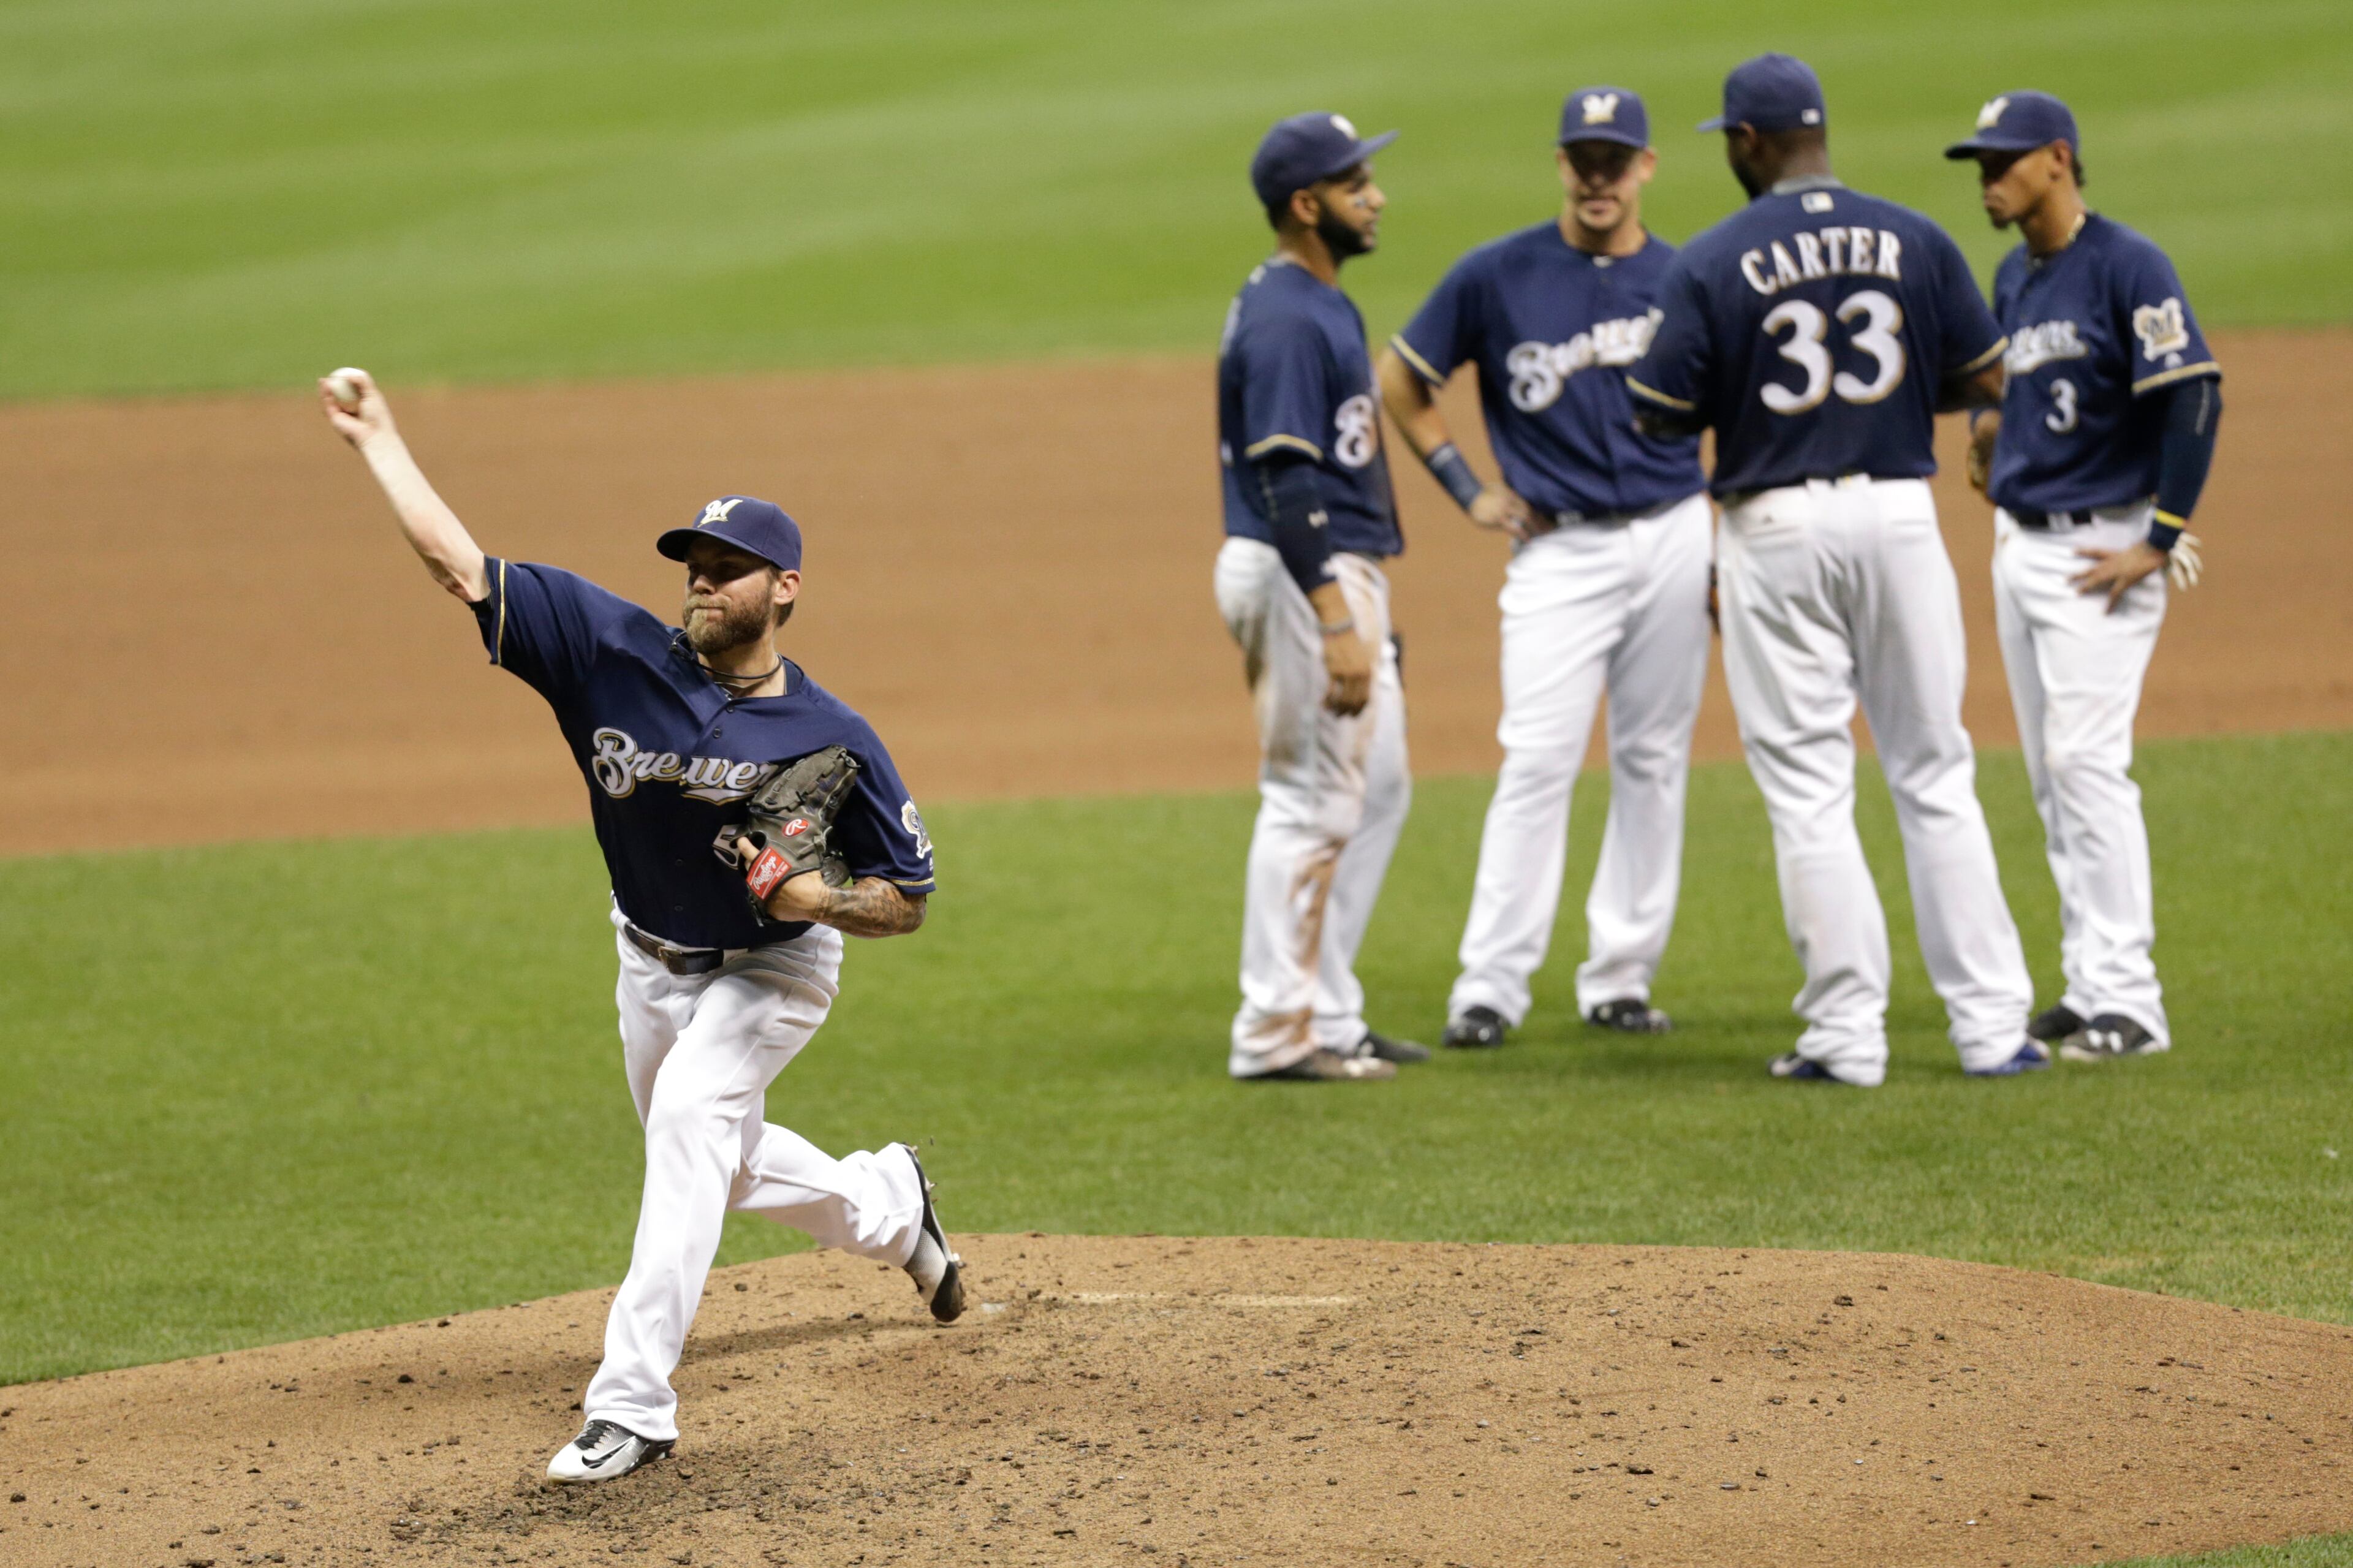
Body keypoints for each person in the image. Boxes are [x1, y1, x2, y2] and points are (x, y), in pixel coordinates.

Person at [317, 369, 964, 1483]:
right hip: (647, 956)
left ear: (787, 588)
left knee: (688, 1128)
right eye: (694, 567)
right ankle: (893, 1205)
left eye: (727, 571)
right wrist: (379, 440)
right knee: (716, 1155)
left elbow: (906, 896)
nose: (702, 584)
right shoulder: (607, 651)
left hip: (773, 968)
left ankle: (634, 1405)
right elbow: (459, 567)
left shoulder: (833, 735)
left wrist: (820, 901)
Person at [1625, 54, 2044, 1085]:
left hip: (1775, 526)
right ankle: (1992, 1031)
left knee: (1811, 786)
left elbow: (1657, 411)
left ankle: (1847, 1039)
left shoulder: (1714, 256)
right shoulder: (1913, 234)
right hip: (1901, 515)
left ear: (1747, 142)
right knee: (1935, 769)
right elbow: (1991, 375)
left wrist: (1755, 393)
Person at [1377, 86, 1712, 1051]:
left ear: (1646, 166)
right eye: (1584, 159)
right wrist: (1465, 487)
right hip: (1557, 549)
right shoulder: (1498, 274)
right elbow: (1402, 378)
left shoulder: (1686, 275)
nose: (1600, 177)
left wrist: (1723, 520)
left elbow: (1736, 397)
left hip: (1674, 530)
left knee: (1653, 758)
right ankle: (1491, 986)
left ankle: (1621, 975)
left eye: (1617, 159)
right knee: (1537, 760)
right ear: (1563, 165)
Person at [1947, 91, 2221, 1061]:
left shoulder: (2127, 264)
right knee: (2050, 776)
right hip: (2021, 548)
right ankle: (2088, 981)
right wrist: (1989, 437)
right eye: (1980, 165)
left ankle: (2132, 1004)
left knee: (2086, 767)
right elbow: (2004, 391)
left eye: (2002, 162)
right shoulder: (2013, 276)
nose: (1986, 180)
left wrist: (2162, 534)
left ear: (2058, 159)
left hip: (2102, 553)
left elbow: (2193, 392)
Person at [1213, 112, 1429, 1081]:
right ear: (1308, 206)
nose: (1376, 194)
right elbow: (1291, 480)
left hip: (1332, 574)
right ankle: (1274, 1031)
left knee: (1377, 784)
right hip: (1308, 571)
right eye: (1355, 183)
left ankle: (1329, 1009)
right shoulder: (1292, 319)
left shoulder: (1314, 296)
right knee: (1308, 801)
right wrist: (1339, 620)